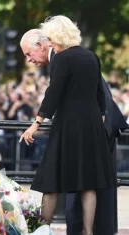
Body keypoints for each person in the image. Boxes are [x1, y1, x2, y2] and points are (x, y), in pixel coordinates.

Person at [20, 28, 128, 235]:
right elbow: (99, 94)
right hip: (92, 126)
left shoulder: (60, 58)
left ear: (44, 44)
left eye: (28, 53)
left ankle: (42, 230)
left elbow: (54, 93)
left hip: (67, 126)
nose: (29, 59)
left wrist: (36, 123)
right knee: (88, 184)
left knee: (50, 181)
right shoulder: (91, 56)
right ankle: (88, 232)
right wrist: (99, 121)